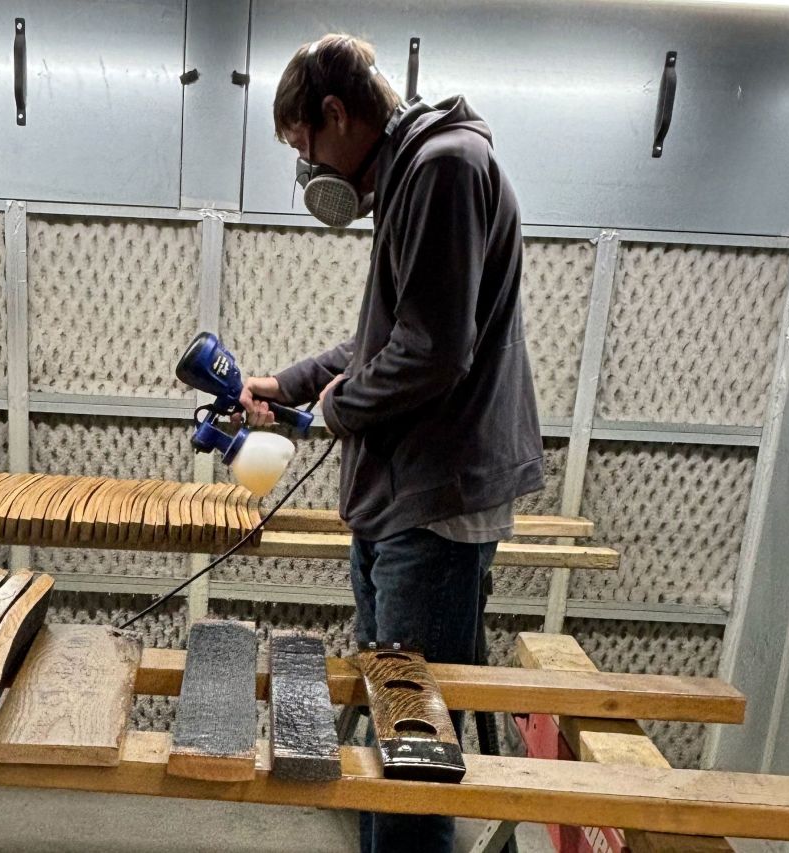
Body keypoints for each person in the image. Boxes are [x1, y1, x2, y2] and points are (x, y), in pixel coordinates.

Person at [239, 33, 544, 853]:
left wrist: (339, 412)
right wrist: (290, 383)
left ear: (336, 115)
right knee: (390, 730)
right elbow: (382, 342)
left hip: (433, 511)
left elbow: (435, 353)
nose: (310, 173)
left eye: (305, 147)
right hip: (404, 504)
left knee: (412, 758)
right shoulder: (416, 175)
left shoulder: (443, 169)